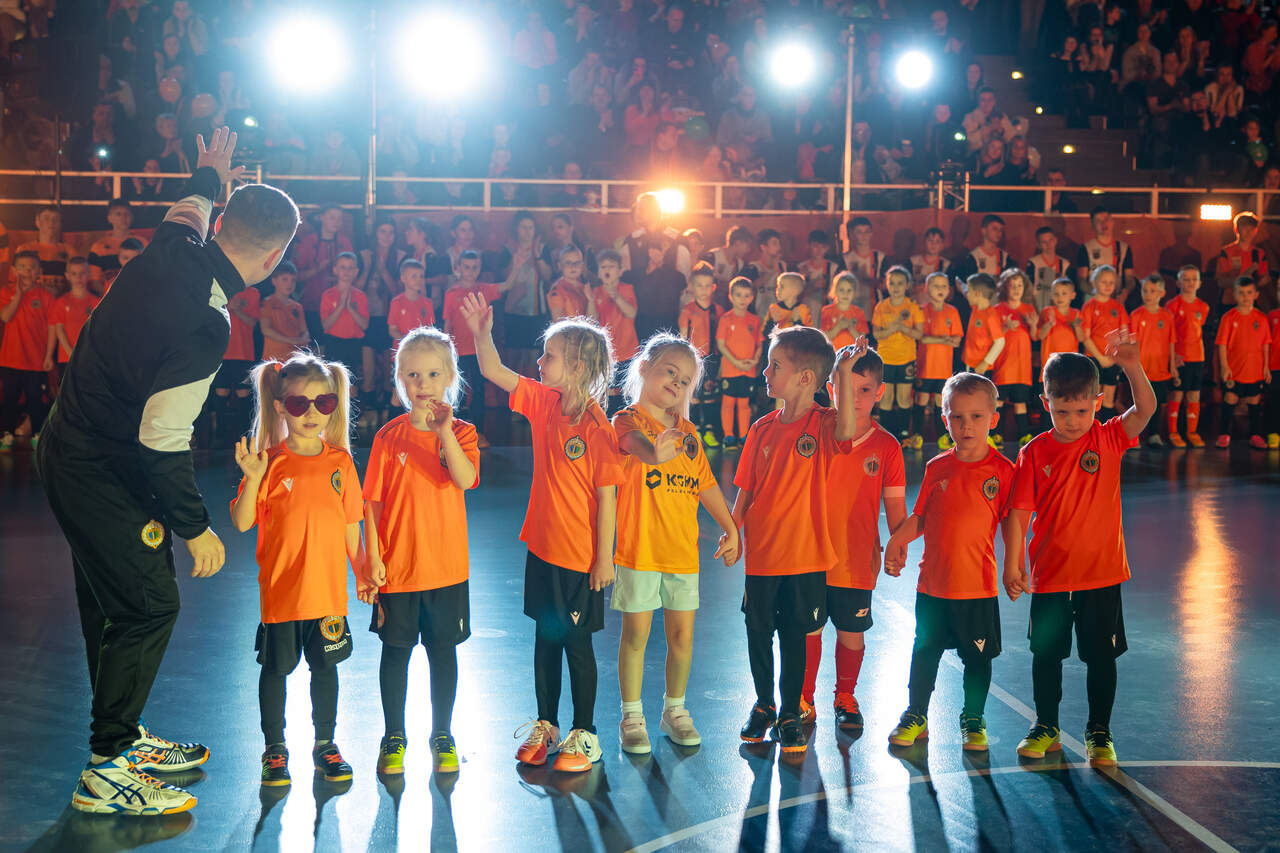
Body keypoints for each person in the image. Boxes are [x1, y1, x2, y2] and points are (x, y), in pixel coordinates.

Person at [38, 129, 299, 814]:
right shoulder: (207, 324)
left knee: (112, 601)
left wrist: (209, 173)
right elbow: (163, 440)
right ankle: (106, 768)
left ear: (222, 222)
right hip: (100, 466)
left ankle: (121, 738)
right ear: (273, 259)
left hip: (70, 445)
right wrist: (196, 527)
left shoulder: (172, 245)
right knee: (150, 604)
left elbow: (191, 206)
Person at [460, 294, 622, 773]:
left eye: (548, 356)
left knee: (577, 645)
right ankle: (548, 726)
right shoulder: (544, 401)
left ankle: (586, 734)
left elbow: (608, 498)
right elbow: (492, 369)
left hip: (580, 557)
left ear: (576, 366)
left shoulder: (597, 427)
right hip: (543, 549)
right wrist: (482, 332)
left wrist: (604, 558)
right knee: (546, 639)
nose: (539, 362)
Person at [1004, 340, 1157, 767]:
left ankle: (1099, 731)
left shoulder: (1109, 437)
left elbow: (1145, 409)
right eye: (1061, 412)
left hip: (1101, 574)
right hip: (1051, 576)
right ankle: (1046, 725)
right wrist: (1013, 563)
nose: (1072, 421)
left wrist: (1132, 366)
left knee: (1101, 657)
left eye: (1081, 411)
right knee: (1045, 655)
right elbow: (1019, 513)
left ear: (1098, 401)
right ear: (1045, 403)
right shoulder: (1034, 452)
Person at [231, 354, 367, 788]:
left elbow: (350, 525)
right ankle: (275, 748)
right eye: (298, 404)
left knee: (326, 670)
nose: (311, 413)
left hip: (327, 594)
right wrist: (253, 478)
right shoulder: (268, 461)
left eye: (323, 403)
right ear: (280, 407)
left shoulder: (341, 463)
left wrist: (363, 570)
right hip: (283, 594)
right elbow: (242, 521)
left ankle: (325, 744)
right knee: (276, 670)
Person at [729, 328, 865, 754]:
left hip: (805, 556)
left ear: (806, 378)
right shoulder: (761, 428)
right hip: (762, 555)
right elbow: (746, 488)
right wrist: (733, 529)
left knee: (794, 635)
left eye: (775, 366)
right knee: (758, 632)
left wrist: (843, 374)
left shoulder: (823, 423)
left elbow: (847, 428)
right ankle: (764, 704)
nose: (765, 372)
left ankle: (790, 712)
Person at [612, 335, 739, 754]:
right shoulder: (626, 421)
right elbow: (635, 446)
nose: (676, 384)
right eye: (670, 372)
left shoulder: (688, 434)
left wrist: (731, 527)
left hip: (682, 554)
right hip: (640, 551)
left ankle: (675, 710)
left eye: (685, 381)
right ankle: (632, 717)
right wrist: (654, 452)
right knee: (636, 635)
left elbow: (706, 484)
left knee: (682, 638)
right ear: (645, 367)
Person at [364, 328, 479, 776]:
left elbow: (465, 479)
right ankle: (393, 736)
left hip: (446, 570)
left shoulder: (462, 433)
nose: (423, 383)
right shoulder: (387, 437)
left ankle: (442, 734)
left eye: (432, 374)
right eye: (413, 374)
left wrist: (443, 432)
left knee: (442, 652)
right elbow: (371, 504)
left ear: (449, 376)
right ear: (400, 379)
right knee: (395, 653)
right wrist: (372, 559)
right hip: (398, 570)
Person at [884, 372, 1015, 751]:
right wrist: (896, 540)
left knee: (978, 659)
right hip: (933, 585)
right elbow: (922, 517)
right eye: (957, 417)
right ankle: (916, 713)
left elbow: (1012, 522)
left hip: (977, 587)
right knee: (924, 651)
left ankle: (973, 717)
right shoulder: (936, 467)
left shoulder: (1003, 471)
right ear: (945, 420)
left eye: (976, 417)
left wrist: (1014, 565)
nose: (966, 426)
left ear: (993, 418)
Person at [803, 347, 905, 730]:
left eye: (864, 390)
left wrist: (898, 543)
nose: (855, 398)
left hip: (856, 560)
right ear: (830, 387)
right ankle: (803, 698)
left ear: (879, 392)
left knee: (851, 634)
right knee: (808, 631)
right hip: (810, 557)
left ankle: (845, 696)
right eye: (845, 387)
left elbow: (895, 509)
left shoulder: (887, 447)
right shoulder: (814, 432)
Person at [442, 250, 513, 449]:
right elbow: (447, 325)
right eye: (466, 267)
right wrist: (446, 351)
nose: (470, 271)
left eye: (475, 267)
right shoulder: (451, 293)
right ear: (458, 268)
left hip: (479, 351)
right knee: (458, 394)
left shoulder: (484, 289)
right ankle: (455, 434)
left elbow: (507, 285)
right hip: (457, 352)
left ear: (480, 268)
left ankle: (479, 433)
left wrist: (517, 262)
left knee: (479, 393)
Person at [0, 251, 52, 452]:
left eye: (32, 267)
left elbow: (51, 328)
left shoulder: (45, 296)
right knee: (10, 400)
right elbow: (5, 317)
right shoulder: (6, 292)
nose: (27, 271)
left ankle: (37, 436)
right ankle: (7, 435)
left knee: (35, 401)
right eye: (22, 267)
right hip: (10, 359)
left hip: (36, 361)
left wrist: (48, 356)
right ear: (14, 271)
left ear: (39, 271)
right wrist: (19, 295)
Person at [1214, 277, 1272, 448]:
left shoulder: (1261, 318)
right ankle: (1224, 434)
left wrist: (1266, 367)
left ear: (1256, 295)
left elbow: (1266, 345)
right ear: (1234, 295)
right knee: (1230, 398)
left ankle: (1255, 435)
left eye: (1249, 293)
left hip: (1254, 370)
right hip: (1234, 370)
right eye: (1241, 293)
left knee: (1254, 401)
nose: (1245, 297)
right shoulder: (1228, 317)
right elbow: (1222, 344)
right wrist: (1224, 367)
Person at [871, 266, 924, 445]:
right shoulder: (881, 306)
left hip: (906, 359)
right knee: (886, 398)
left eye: (900, 283)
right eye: (892, 283)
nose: (896, 287)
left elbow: (919, 334)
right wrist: (891, 329)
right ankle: (886, 435)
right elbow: (876, 334)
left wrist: (903, 328)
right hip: (885, 359)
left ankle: (903, 434)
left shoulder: (912, 306)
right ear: (886, 285)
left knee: (903, 398)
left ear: (907, 285)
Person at [209, 265, 260, 443]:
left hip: (243, 351)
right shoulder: (218, 289)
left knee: (243, 392)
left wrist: (236, 309)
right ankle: (219, 438)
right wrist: (227, 306)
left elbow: (252, 322)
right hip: (221, 349)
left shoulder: (252, 292)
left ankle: (244, 437)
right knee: (221, 391)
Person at [1129, 274, 1178, 446]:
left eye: (1153, 291)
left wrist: (1172, 365)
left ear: (1162, 293)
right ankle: (1134, 437)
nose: (1148, 294)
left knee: (1155, 403)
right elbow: (1132, 342)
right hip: (1142, 369)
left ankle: (1154, 435)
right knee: (1139, 404)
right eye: (1145, 290)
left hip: (1160, 369)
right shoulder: (1136, 315)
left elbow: (1171, 342)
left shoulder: (1167, 316)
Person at [916, 272, 964, 447]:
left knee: (940, 401)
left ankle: (942, 437)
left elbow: (957, 340)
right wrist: (944, 340)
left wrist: (941, 339)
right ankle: (917, 436)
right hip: (925, 366)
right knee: (921, 399)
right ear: (927, 289)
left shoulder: (952, 311)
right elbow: (922, 338)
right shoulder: (921, 310)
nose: (940, 289)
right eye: (936, 286)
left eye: (944, 286)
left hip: (943, 367)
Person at [993, 269, 1039, 446]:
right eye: (1012, 286)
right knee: (998, 401)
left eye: (1019, 285)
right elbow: (992, 337)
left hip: (1021, 367)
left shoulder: (1028, 309)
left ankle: (1023, 436)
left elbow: (1035, 337)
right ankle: (996, 435)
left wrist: (1033, 325)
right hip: (1003, 365)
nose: (1016, 289)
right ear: (1005, 288)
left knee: (1021, 402)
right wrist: (1005, 328)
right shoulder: (998, 310)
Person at [676, 262, 721, 446]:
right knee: (693, 396)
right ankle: (693, 432)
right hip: (693, 359)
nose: (704, 290)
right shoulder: (688, 310)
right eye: (700, 285)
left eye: (708, 285)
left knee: (710, 396)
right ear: (692, 287)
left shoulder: (718, 310)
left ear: (713, 287)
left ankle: (709, 431)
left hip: (713, 359)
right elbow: (683, 337)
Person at [717, 277, 763, 448]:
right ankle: (728, 436)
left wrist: (755, 359)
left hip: (748, 369)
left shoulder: (755, 320)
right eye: (738, 295)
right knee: (728, 403)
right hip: (730, 369)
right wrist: (735, 362)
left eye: (746, 295)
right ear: (731, 296)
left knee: (744, 404)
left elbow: (759, 343)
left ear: (752, 298)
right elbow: (721, 344)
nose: (742, 299)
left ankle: (744, 435)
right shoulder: (726, 319)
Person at [1165, 266, 1209, 447]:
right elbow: (1169, 334)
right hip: (1179, 357)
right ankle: (1173, 432)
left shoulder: (1203, 307)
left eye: (1194, 279)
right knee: (1177, 394)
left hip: (1197, 357)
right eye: (1186, 279)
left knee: (1194, 395)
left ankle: (1192, 432)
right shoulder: (1172, 305)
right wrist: (1173, 357)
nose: (1190, 283)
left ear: (1199, 283)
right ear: (1178, 283)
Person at [294, 204, 353, 334]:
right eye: (332, 217)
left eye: (339, 218)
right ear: (321, 218)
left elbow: (352, 273)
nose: (336, 222)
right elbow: (295, 276)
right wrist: (317, 270)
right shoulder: (308, 242)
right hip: (311, 304)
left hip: (339, 306)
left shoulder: (345, 242)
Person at [1081, 265, 1129, 421]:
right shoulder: (1089, 306)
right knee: (1094, 398)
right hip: (1094, 358)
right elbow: (1085, 337)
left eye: (1111, 283)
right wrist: (1101, 358)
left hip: (1112, 359)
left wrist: (1115, 356)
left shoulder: (1118, 307)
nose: (1108, 286)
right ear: (1094, 282)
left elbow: (1124, 334)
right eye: (1103, 282)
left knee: (1108, 398)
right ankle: (1091, 429)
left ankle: (1104, 430)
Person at [320, 252, 369, 395]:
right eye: (343, 267)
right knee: (332, 385)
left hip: (353, 345)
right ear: (335, 270)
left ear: (356, 271)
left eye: (350, 268)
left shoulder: (360, 296)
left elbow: (364, 325)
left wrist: (349, 308)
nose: (346, 271)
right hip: (334, 343)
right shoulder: (328, 295)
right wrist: (341, 306)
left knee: (352, 387)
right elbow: (326, 325)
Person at [46, 258, 100, 382]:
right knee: (66, 391)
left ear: (89, 274)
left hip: (88, 359)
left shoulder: (97, 302)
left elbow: (98, 332)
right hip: (67, 358)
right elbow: (59, 330)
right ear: (67, 276)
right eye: (74, 274)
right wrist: (71, 354)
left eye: (82, 273)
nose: (78, 277)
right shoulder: (61, 302)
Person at [1075, 206, 1135, 303]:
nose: (1103, 223)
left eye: (1106, 219)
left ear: (1112, 222)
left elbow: (1130, 279)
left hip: (1115, 299)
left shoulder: (1123, 248)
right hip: (1093, 299)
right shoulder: (1086, 248)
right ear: (1092, 225)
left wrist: (1125, 293)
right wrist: (1096, 293)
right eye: (1098, 221)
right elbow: (1081, 280)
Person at [88, 198, 148, 294]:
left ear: (132, 217)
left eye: (127, 214)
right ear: (109, 218)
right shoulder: (99, 247)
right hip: (109, 295)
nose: (123, 218)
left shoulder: (143, 243)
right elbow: (94, 282)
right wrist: (111, 297)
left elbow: (149, 273)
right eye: (118, 214)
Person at [1211, 212, 1269, 309]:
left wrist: (1261, 281)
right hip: (1230, 302)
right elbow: (1221, 282)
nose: (1248, 232)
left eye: (1252, 229)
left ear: (1256, 231)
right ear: (1236, 229)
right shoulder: (1226, 252)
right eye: (1245, 228)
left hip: (1251, 303)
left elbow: (1264, 278)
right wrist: (1243, 278)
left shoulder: (1259, 253)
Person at [260, 261, 309, 363]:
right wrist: (289, 340)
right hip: (274, 359)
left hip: (294, 359)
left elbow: (304, 331)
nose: (289, 284)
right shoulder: (267, 303)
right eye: (285, 279)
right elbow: (266, 329)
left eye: (293, 280)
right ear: (274, 281)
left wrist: (304, 339)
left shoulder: (297, 307)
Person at [962, 274, 1007, 377]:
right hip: (970, 363)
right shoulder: (975, 308)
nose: (967, 294)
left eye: (969, 291)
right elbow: (963, 290)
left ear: (977, 294)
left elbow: (1000, 342)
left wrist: (986, 362)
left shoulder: (990, 316)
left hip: (981, 367)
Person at [840, 217, 886, 314]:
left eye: (867, 232)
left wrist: (869, 280)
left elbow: (886, 285)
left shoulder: (880, 257)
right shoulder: (845, 259)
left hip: (876, 309)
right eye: (859, 232)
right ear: (851, 234)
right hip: (853, 309)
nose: (864, 236)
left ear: (871, 234)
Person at [387, 258, 435, 349]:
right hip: (403, 351)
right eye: (414, 276)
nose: (418, 280)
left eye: (421, 276)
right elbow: (392, 330)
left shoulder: (427, 303)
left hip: (422, 351)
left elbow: (430, 329)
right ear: (403, 278)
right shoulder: (396, 303)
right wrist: (410, 343)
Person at [795, 230, 839, 321]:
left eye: (823, 247)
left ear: (827, 248)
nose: (819, 250)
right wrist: (812, 286)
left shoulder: (833, 268)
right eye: (815, 246)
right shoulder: (801, 268)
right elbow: (795, 296)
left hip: (827, 312)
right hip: (806, 312)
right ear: (809, 246)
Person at [952, 215, 1012, 283]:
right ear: (983, 231)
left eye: (1001, 230)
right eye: (994, 229)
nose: (998, 233)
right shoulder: (973, 257)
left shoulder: (1005, 257)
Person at [1039, 278, 1085, 366]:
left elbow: (1081, 339)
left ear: (1072, 295)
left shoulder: (1077, 314)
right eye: (1056, 294)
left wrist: (1076, 326)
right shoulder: (1047, 312)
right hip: (1050, 361)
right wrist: (1049, 324)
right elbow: (1041, 336)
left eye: (1064, 294)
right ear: (1051, 295)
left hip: (1070, 361)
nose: (1060, 297)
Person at [821, 272, 870, 352]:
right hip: (833, 354)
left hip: (852, 354)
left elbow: (862, 341)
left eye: (849, 290)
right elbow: (824, 338)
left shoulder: (859, 313)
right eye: (841, 290)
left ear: (854, 293)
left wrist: (850, 327)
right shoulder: (826, 311)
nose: (845, 294)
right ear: (835, 291)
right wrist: (838, 327)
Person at [1025, 226, 1071, 312]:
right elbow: (1028, 291)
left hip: (1059, 309)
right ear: (1038, 245)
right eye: (1044, 242)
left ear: (1055, 240)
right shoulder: (1033, 263)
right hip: (1038, 308)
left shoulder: (1065, 264)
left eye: (1050, 240)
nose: (1048, 244)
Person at [547, 245, 594, 321]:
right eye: (568, 263)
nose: (573, 267)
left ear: (582, 265)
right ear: (559, 265)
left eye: (577, 263)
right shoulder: (557, 290)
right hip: (570, 329)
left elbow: (593, 320)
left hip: (587, 328)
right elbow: (558, 323)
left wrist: (591, 301)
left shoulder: (585, 288)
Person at [764, 272, 812, 340]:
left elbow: (807, 336)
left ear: (795, 291)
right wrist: (772, 322)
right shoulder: (774, 308)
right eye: (778, 286)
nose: (778, 290)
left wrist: (797, 322)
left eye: (782, 286)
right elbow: (765, 335)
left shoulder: (803, 309)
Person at [909, 228, 951, 299]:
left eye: (938, 241)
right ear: (924, 242)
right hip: (915, 303)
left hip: (936, 304)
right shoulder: (913, 261)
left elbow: (950, 294)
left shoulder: (946, 265)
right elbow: (905, 288)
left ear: (942, 245)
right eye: (930, 240)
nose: (933, 244)